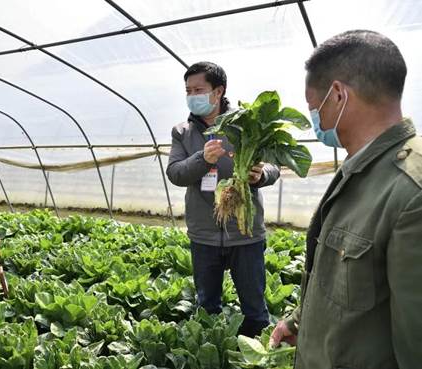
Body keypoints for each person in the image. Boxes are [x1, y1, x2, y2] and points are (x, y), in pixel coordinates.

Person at [270, 30, 422, 368]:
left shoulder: (411, 193)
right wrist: (299, 324)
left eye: (314, 108)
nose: (315, 121)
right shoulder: (361, 167)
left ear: (338, 95)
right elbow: (349, 288)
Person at [167, 61, 280, 337]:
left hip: (245, 233)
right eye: (188, 91)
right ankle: (210, 350)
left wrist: (260, 175)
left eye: (199, 89)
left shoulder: (246, 125)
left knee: (254, 307)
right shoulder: (182, 132)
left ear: (218, 92)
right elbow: (175, 173)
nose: (192, 96)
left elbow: (274, 166)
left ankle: (259, 354)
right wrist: (202, 159)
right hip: (204, 234)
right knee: (206, 304)